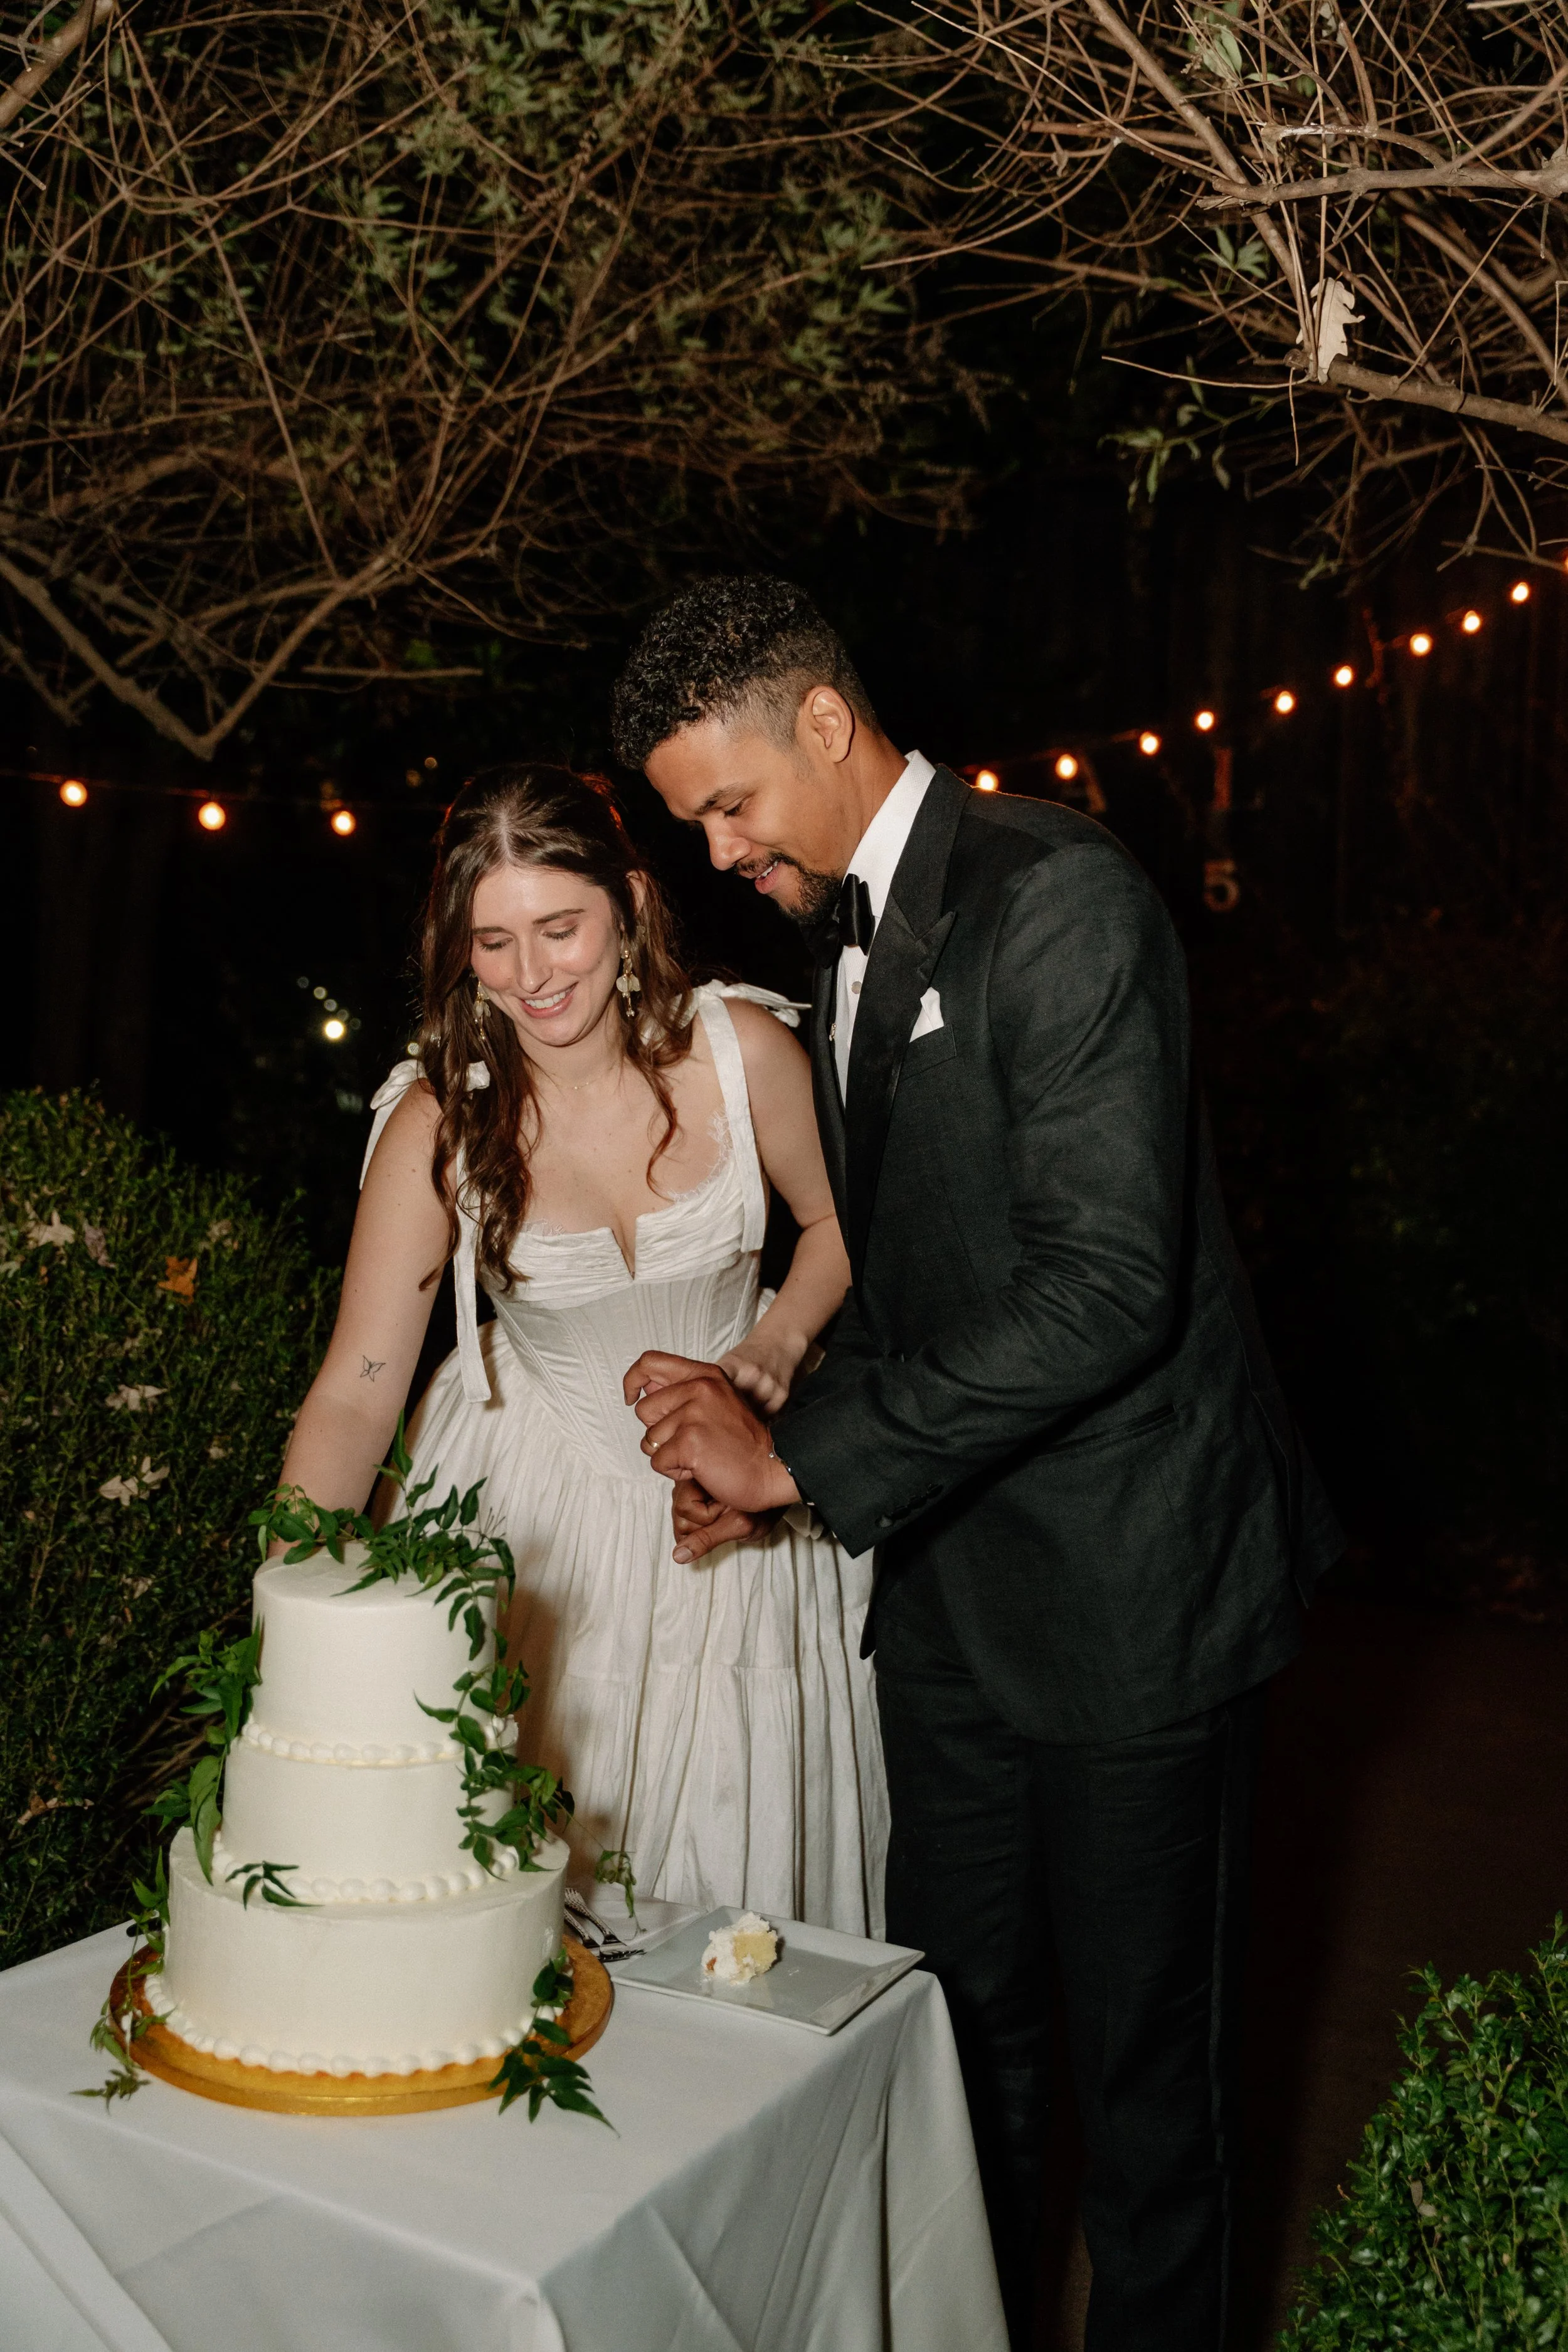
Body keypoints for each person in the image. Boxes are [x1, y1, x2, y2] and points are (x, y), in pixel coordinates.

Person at [613, 577, 1343, 2351]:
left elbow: (1103, 1288)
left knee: (1145, 2101)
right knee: (966, 2062)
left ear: (822, 724)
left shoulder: (1059, 895)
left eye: (727, 804)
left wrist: (807, 1466)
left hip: (1132, 1606)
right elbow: (923, 1268)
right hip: (947, 1608)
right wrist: (781, 1415)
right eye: (690, 824)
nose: (716, 852)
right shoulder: (837, 941)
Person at [277, 763, 888, 1936]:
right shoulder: (439, 1121)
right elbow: (360, 1390)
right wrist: (285, 1600)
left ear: (632, 910)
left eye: (559, 928)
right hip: (530, 1522)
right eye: (493, 942)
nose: (532, 974)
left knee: (737, 1902)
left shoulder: (743, 1050)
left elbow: (844, 1226)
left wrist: (765, 1357)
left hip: (741, 1520)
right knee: (509, 1905)